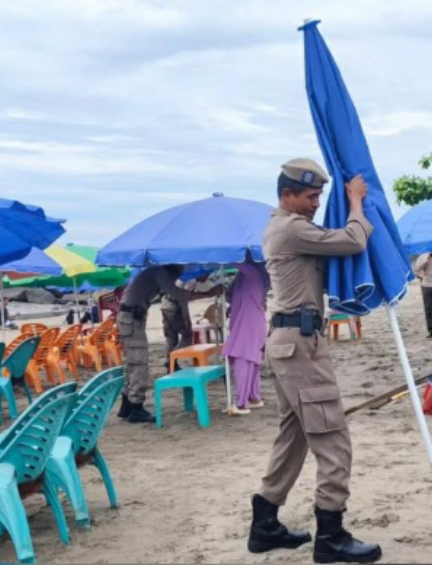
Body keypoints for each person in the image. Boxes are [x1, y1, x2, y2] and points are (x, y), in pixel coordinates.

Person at [248, 158, 381, 564]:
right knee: (332, 437)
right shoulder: (290, 228)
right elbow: (353, 240)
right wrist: (355, 202)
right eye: (309, 196)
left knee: (295, 434)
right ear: (286, 195)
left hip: (292, 341)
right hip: (300, 344)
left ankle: (265, 523)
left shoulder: (286, 227)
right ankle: (331, 536)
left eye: (320, 196)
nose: (315, 203)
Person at [116, 264, 189, 424]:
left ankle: (126, 407)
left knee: (132, 363)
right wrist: (208, 293)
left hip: (130, 317)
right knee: (138, 363)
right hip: (132, 318)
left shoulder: (153, 272)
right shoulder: (160, 273)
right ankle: (136, 408)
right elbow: (176, 293)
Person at [223, 261, 269, 414]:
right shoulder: (246, 276)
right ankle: (253, 397)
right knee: (251, 361)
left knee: (243, 360)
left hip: (249, 322)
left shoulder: (252, 273)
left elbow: (237, 262)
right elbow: (230, 294)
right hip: (249, 321)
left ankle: (241, 402)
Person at [160, 273, 223, 369]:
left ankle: (171, 364)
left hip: (165, 304)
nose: (206, 278)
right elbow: (185, 297)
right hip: (174, 306)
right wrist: (209, 294)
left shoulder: (187, 275)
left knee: (171, 337)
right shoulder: (191, 279)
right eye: (206, 275)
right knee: (187, 336)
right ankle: (172, 359)